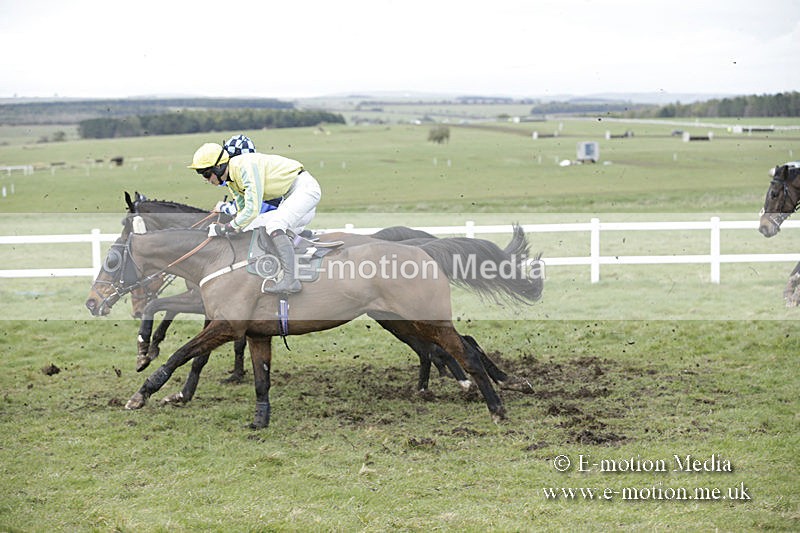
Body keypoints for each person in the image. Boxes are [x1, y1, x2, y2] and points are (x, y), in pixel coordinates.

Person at [188, 141, 322, 294]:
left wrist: (227, 228)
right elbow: (242, 211)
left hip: (304, 189)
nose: (206, 179)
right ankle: (278, 270)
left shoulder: (243, 167)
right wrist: (230, 226)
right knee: (255, 225)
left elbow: (252, 209)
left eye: (206, 174)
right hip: (292, 195)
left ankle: (290, 280)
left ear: (219, 167)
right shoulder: (232, 180)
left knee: (274, 225)